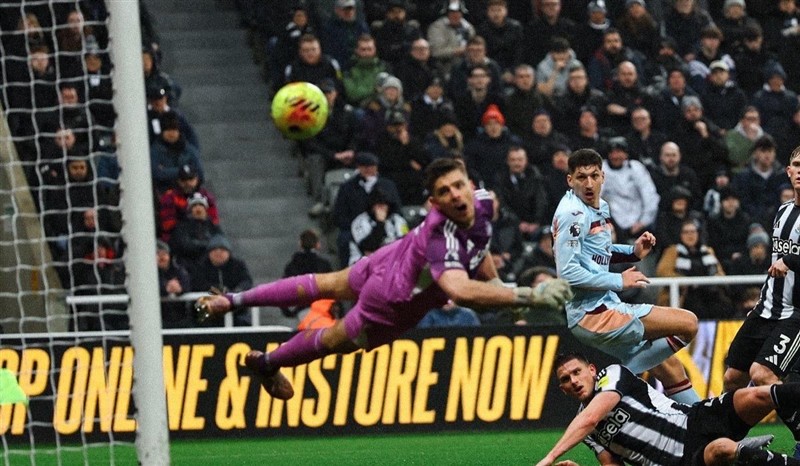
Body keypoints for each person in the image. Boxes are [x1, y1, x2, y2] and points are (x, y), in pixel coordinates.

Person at [195, 158, 573, 400]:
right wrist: (527, 295)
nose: (456, 195)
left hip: (389, 257)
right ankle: (268, 362)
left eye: (459, 185)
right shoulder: (441, 239)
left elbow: (480, 245)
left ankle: (232, 300)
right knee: (335, 340)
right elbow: (459, 291)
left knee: (324, 282)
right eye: (444, 192)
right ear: (433, 204)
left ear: (469, 182)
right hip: (392, 298)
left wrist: (496, 283)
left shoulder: (483, 201)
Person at [552, 148, 699, 404]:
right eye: (581, 177)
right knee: (688, 324)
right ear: (570, 180)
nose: (589, 184)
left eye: (594, 176)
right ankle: (614, 384)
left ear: (603, 176)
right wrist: (619, 281)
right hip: (593, 314)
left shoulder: (597, 207)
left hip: (602, 306)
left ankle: (705, 423)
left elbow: (597, 252)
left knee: (670, 368)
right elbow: (568, 273)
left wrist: (632, 252)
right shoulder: (572, 215)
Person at [535, 352, 800, 466]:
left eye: (577, 372)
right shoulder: (586, 432)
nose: (574, 381)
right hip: (677, 462)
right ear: (563, 389)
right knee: (721, 449)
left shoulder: (612, 375)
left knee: (754, 395)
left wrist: (549, 458)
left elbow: (592, 417)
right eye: (566, 380)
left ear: (592, 370)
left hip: (693, 420)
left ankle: (747, 454)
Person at [723, 145, 800, 458]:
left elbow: (787, 260)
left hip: (794, 314)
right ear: (789, 171)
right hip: (766, 309)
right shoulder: (783, 212)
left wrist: (791, 260)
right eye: (797, 165)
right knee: (733, 378)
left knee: (763, 374)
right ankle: (720, 437)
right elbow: (775, 262)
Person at [191, 234, 254, 326]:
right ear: (209, 253)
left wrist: (236, 292)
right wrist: (215, 290)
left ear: (228, 252)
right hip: (209, 312)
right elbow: (197, 284)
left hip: (236, 312)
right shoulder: (200, 267)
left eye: (222, 250)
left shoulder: (238, 265)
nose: (218, 253)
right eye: (214, 250)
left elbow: (246, 282)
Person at [156, 239, 193, 329]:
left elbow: (188, 284)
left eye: (164, 254)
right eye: (158, 254)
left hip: (180, 317)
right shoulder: (146, 273)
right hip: (156, 318)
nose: (162, 257)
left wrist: (180, 289)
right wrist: (165, 288)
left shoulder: (178, 269)